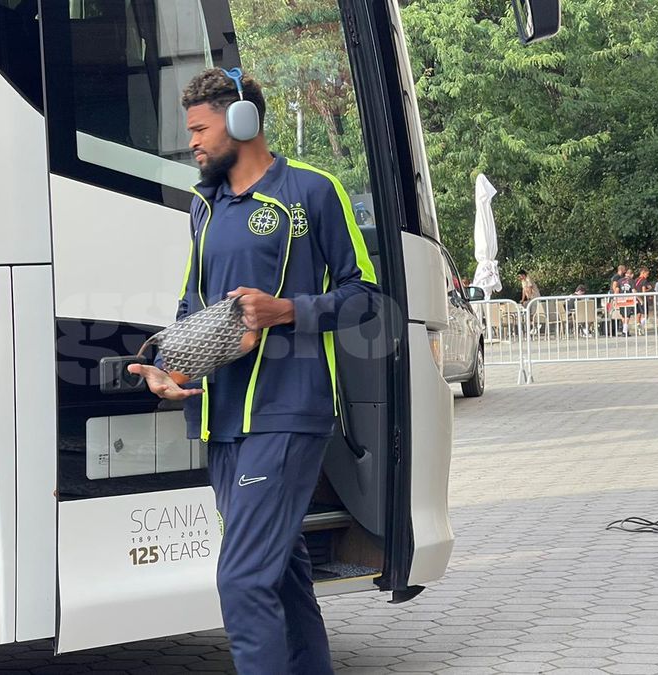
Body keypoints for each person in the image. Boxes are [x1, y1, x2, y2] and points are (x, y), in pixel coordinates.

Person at [128, 68, 378, 675]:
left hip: (288, 413)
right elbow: (193, 304)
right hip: (220, 420)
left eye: (199, 129)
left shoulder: (313, 192)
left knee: (242, 581)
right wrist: (168, 367)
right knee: (283, 574)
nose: (191, 142)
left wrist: (289, 309)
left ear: (243, 121)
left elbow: (366, 293)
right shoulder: (203, 205)